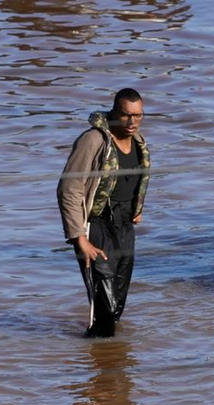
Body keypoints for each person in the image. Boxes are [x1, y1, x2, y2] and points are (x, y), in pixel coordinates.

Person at [57, 88, 150, 337]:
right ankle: (97, 358)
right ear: (113, 112)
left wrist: (137, 208)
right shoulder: (93, 140)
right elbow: (69, 188)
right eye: (126, 115)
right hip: (95, 226)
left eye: (138, 116)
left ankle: (109, 367)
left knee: (117, 303)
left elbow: (136, 180)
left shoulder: (138, 141)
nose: (132, 122)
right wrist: (79, 238)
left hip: (125, 227)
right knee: (104, 307)